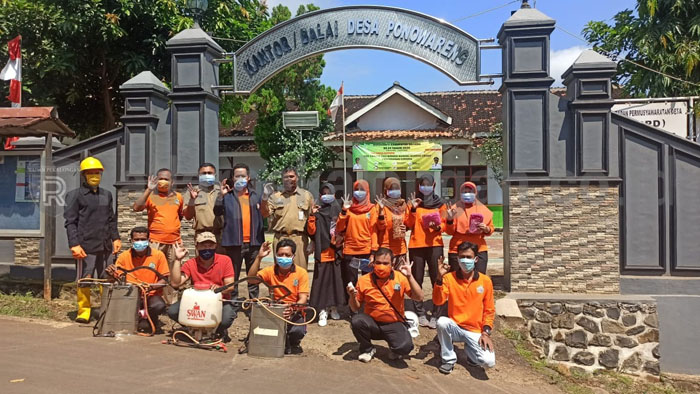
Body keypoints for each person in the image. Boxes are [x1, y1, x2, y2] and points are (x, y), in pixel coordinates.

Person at [64, 157, 121, 323]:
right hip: (85, 245)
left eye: (97, 172)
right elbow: (70, 222)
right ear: (84, 175)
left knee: (107, 278)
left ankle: (107, 309)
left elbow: (111, 219)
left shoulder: (107, 195)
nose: (94, 175)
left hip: (105, 245)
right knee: (85, 278)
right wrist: (74, 244)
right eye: (90, 173)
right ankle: (84, 311)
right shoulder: (75, 196)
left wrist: (116, 238)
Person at [347, 248, 423, 362]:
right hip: (373, 324)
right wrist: (352, 296)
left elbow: (419, 297)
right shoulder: (363, 280)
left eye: (385, 263)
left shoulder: (400, 277)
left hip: (394, 322)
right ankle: (367, 349)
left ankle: (395, 347)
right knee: (357, 320)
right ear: (373, 263)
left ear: (392, 264)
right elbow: (355, 308)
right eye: (378, 263)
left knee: (405, 347)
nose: (381, 266)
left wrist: (410, 276)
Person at [433, 241, 496, 374]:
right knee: (442, 322)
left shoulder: (485, 281)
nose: (465, 260)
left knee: (488, 362)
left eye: (468, 257)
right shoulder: (449, 278)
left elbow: (489, 310)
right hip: (455, 326)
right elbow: (438, 301)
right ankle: (448, 359)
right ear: (457, 258)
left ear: (476, 259)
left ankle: (470, 351)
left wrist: (486, 332)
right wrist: (439, 277)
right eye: (462, 257)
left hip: (475, 330)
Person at [167, 232, 236, 342]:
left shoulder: (225, 260)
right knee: (173, 311)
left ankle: (217, 331)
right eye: (203, 245)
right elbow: (176, 283)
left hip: (219, 300)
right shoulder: (191, 263)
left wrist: (220, 288)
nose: (207, 248)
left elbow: (230, 286)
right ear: (197, 246)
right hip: (196, 301)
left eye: (210, 245)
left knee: (226, 318)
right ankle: (192, 328)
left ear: (215, 246)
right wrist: (177, 260)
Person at [248, 239, 310, 354]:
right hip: (274, 309)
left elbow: (303, 299)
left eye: (287, 255)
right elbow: (251, 280)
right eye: (280, 255)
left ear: (293, 256)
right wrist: (259, 257)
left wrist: (292, 308)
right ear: (276, 256)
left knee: (297, 331)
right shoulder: (269, 271)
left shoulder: (301, 273)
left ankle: (293, 342)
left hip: (293, 310)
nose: (284, 257)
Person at [214, 163, 264, 302]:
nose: (240, 178)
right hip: (233, 242)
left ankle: (253, 303)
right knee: (233, 276)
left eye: (243, 176)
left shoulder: (255, 196)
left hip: (254, 242)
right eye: (237, 176)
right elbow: (217, 212)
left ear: (248, 178)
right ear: (233, 178)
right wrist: (220, 196)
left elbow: (264, 214)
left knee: (253, 276)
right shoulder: (227, 196)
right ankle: (233, 303)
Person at [133, 168, 183, 302]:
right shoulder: (151, 196)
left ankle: (171, 303)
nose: (163, 181)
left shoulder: (178, 197)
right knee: (155, 271)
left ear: (172, 182)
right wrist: (148, 189)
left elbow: (180, 216)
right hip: (155, 241)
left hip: (174, 242)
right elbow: (136, 207)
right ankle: (152, 299)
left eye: (166, 179)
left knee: (173, 272)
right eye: (160, 178)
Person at [105, 226, 169, 333]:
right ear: (131, 241)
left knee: (158, 305)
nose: (140, 242)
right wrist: (110, 275)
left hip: (150, 295)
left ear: (149, 240)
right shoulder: (124, 256)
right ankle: (136, 319)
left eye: (143, 239)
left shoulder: (158, 255)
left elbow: (164, 280)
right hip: (130, 294)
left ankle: (151, 320)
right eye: (137, 240)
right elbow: (116, 278)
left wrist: (150, 287)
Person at [406, 174, 446, 329]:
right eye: (423, 184)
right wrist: (414, 209)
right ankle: (420, 312)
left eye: (428, 184)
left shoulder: (440, 204)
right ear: (419, 186)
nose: (425, 187)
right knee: (417, 279)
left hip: (435, 245)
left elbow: (446, 225)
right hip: (416, 246)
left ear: (434, 185)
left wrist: (439, 227)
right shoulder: (414, 203)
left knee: (438, 278)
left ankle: (436, 313)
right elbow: (408, 223)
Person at [306, 183, 344, 326]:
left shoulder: (339, 210)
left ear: (334, 194)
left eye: (329, 192)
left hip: (335, 252)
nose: (326, 195)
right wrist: (312, 215)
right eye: (324, 193)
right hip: (322, 252)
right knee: (322, 282)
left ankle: (333, 308)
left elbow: (344, 228)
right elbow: (311, 231)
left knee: (335, 282)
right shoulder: (317, 211)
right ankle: (322, 310)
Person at [261, 167, 314, 269]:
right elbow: (265, 214)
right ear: (282, 179)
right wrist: (264, 198)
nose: (289, 179)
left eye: (291, 176)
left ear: (297, 178)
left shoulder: (307, 195)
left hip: (299, 239)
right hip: (280, 238)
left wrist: (313, 241)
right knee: (281, 272)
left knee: (300, 271)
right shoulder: (275, 197)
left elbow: (313, 219)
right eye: (285, 177)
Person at [336, 179, 380, 298]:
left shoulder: (373, 209)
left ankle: (367, 305)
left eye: (362, 190)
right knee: (351, 282)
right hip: (350, 251)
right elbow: (340, 227)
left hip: (366, 251)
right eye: (356, 189)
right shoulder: (348, 209)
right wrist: (344, 211)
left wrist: (373, 252)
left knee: (369, 282)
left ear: (367, 191)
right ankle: (353, 308)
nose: (359, 192)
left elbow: (374, 231)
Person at [445, 182, 494, 274]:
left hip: (479, 248)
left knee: (479, 277)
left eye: (470, 191)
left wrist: (486, 229)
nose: (467, 194)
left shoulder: (483, 209)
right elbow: (449, 231)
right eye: (465, 191)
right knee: (456, 278)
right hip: (457, 248)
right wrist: (450, 220)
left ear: (475, 193)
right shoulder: (454, 209)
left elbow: (491, 229)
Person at [374, 177, 408, 268]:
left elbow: (408, 223)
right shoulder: (380, 205)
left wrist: (405, 228)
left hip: (401, 249)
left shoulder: (404, 206)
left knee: (401, 279)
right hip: (386, 249)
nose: (395, 191)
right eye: (391, 189)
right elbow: (379, 227)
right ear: (386, 190)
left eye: (397, 189)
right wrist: (381, 213)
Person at [183, 163, 223, 241]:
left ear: (215, 175)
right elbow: (188, 217)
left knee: (220, 254)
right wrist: (192, 200)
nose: (207, 175)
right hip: (201, 236)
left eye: (209, 173)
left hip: (220, 235)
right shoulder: (192, 192)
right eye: (204, 173)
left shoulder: (221, 191)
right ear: (199, 175)